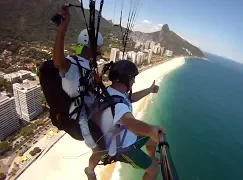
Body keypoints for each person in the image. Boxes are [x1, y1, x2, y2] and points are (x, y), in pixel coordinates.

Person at [88, 60, 166, 180]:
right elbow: (129, 122)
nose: (134, 81)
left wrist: (149, 90)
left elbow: (130, 98)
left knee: (151, 139)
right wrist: (150, 129)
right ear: (126, 79)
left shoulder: (111, 92)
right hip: (124, 148)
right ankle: (151, 165)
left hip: (120, 136)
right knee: (153, 171)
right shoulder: (119, 106)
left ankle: (151, 158)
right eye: (132, 78)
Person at [52, 6, 104, 179]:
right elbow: (58, 62)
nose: (99, 54)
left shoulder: (88, 66)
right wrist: (62, 30)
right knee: (99, 150)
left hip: (87, 107)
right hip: (78, 115)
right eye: (97, 50)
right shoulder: (72, 63)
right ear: (89, 48)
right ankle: (90, 171)